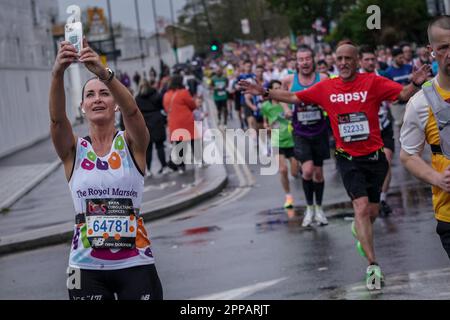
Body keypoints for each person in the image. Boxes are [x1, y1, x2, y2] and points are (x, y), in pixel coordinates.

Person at [239, 43, 430, 290]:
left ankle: (358, 230)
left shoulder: (372, 82)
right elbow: (296, 97)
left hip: (374, 157)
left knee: (370, 212)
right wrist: (265, 92)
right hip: (348, 158)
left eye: (347, 58)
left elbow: (402, 95)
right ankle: (373, 266)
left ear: (357, 60)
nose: (342, 62)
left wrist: (414, 83)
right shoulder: (327, 87)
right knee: (361, 208)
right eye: (338, 58)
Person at [50, 39, 162, 300]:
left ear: (115, 104)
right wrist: (57, 73)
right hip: (84, 267)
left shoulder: (132, 143)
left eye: (104, 93)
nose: (97, 99)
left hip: (136, 261)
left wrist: (103, 73)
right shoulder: (73, 151)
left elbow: (133, 112)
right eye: (90, 95)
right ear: (82, 107)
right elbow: (56, 120)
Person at [400, 15, 450, 261]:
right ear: (432, 51)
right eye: (444, 48)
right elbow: (408, 155)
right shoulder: (420, 103)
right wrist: (438, 178)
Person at [282, 45, 330, 227]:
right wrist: (286, 109)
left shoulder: (323, 78)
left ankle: (319, 208)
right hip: (300, 131)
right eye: (301, 59)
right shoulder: (288, 80)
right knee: (308, 170)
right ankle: (309, 209)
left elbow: (330, 96)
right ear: (296, 62)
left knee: (318, 173)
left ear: (313, 60)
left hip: (319, 130)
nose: (304, 62)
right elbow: (281, 98)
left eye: (307, 58)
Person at [359, 45, 395, 216]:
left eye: (373, 59)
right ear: (360, 61)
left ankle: (382, 199)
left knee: (386, 162)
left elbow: (396, 94)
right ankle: (369, 198)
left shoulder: (383, 76)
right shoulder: (355, 79)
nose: (370, 62)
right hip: (365, 130)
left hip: (384, 125)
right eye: (366, 59)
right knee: (368, 168)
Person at [261, 80, 299, 209]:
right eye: (275, 89)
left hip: (291, 140)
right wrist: (267, 127)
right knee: (282, 170)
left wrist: (285, 108)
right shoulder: (266, 106)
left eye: (279, 88)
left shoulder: (287, 102)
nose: (278, 91)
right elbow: (265, 122)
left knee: (294, 173)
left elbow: (290, 115)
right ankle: (288, 196)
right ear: (270, 91)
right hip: (277, 141)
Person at [163, 74, 200, 174]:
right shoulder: (184, 92)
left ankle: (181, 167)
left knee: (179, 144)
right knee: (193, 141)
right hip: (186, 121)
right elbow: (192, 105)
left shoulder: (166, 95)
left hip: (174, 123)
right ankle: (199, 161)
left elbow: (166, 109)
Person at [135, 79, 169, 177]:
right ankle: (164, 166)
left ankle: (148, 170)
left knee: (148, 148)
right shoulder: (156, 95)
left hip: (145, 123)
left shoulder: (137, 98)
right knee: (160, 146)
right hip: (157, 121)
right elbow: (162, 107)